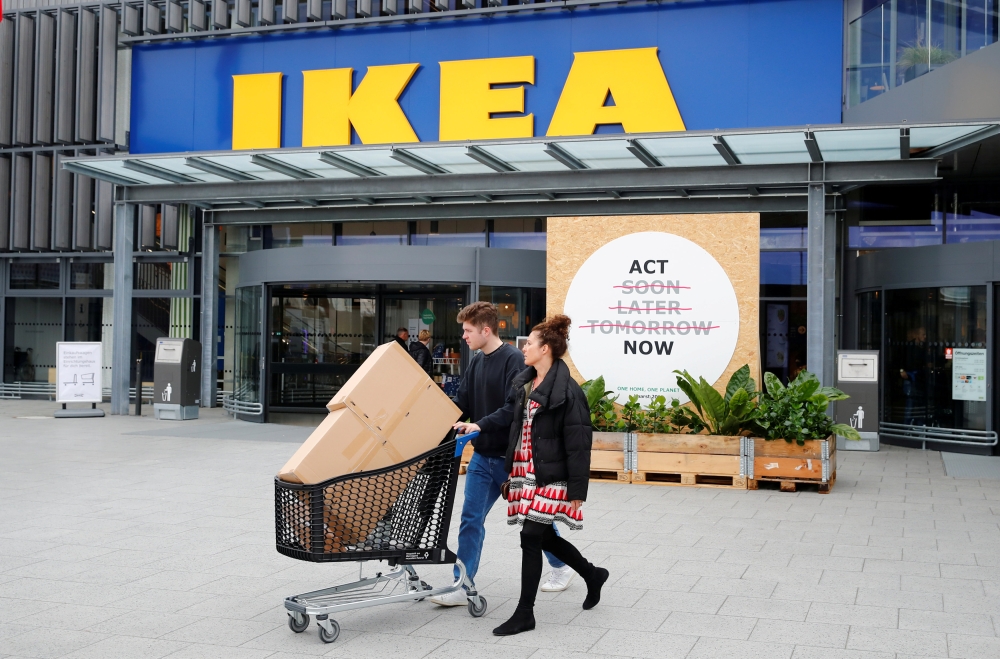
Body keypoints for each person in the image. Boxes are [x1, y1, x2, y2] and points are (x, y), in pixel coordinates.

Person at [430, 302, 570, 606]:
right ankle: (462, 584)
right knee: (470, 518)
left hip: (512, 459)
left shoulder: (513, 361)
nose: (464, 336)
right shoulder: (476, 362)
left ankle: (561, 566)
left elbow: (512, 409)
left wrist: (478, 425)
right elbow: (462, 403)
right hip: (482, 458)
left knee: (535, 519)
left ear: (485, 329)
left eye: (468, 331)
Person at [492, 315, 608, 636]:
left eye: (529, 343)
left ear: (545, 349)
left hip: (552, 475)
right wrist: (510, 472)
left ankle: (524, 613)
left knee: (530, 536)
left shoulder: (568, 392)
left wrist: (577, 490)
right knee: (545, 537)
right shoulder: (526, 382)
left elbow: (579, 443)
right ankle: (592, 574)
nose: (524, 347)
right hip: (526, 471)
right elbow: (520, 430)